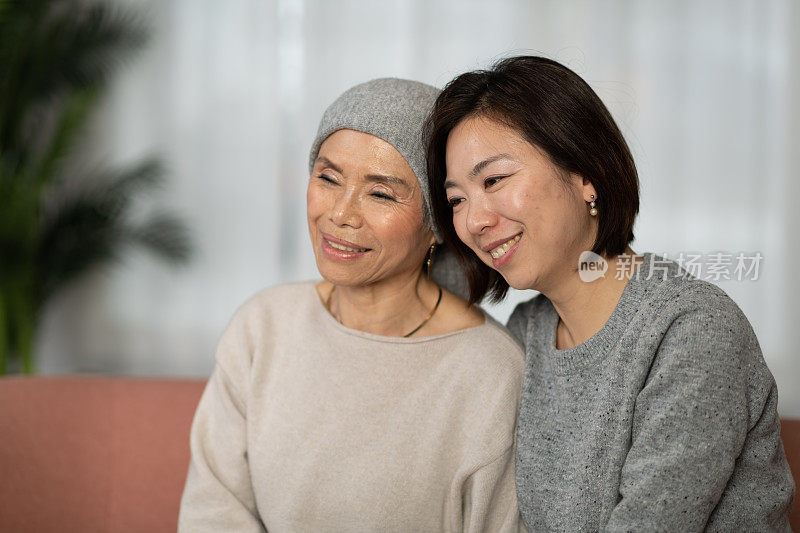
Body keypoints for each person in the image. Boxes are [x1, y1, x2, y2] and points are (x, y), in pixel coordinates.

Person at [424, 56, 795, 531]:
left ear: (585, 176)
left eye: (494, 180)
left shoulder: (691, 331)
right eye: (456, 200)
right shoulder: (528, 332)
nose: (474, 221)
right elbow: (420, 303)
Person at [178, 78, 526, 532]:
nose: (340, 213)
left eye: (380, 193)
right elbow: (212, 510)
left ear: (438, 221)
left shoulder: (491, 373)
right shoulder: (262, 327)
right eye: (328, 178)